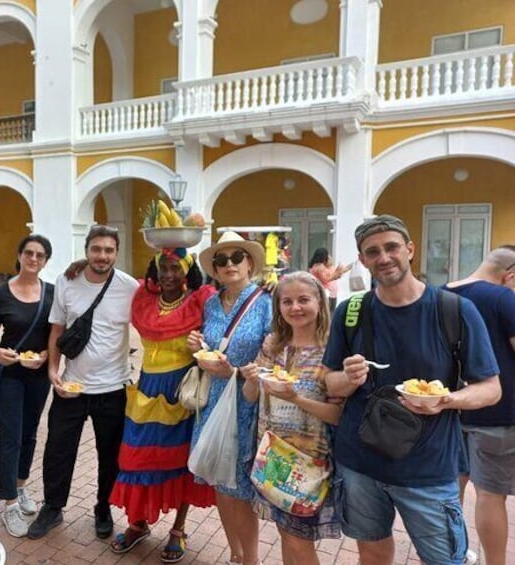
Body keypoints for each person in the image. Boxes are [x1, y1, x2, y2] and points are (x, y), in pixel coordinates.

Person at [322, 214, 501, 565]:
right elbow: (329, 380)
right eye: (372, 252)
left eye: (392, 247)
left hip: (428, 467)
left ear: (410, 249)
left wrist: (448, 400)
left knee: (443, 559)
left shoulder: (454, 310)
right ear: (362, 260)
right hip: (360, 462)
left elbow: (491, 388)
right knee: (371, 551)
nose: (384, 257)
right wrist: (349, 378)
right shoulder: (351, 311)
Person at [27, 225, 139, 540]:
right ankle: (52, 507)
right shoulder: (67, 281)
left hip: (113, 388)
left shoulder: (129, 287)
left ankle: (103, 507)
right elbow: (57, 330)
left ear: (116, 253)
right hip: (71, 386)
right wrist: (53, 370)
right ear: (86, 250)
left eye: (108, 250)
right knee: (58, 451)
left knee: (110, 454)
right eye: (96, 249)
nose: (102, 256)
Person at [109, 249, 216, 562]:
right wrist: (81, 265)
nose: (168, 275)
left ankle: (178, 530)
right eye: (163, 268)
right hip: (147, 389)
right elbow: (115, 278)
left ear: (186, 272)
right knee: (136, 458)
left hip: (182, 393)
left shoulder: (201, 301)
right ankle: (138, 523)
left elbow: (227, 316)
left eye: (175, 268)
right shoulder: (144, 298)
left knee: (182, 461)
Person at [240, 272, 341, 565]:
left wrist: (296, 399)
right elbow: (251, 397)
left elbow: (338, 416)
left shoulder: (332, 350)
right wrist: (249, 379)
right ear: (278, 308)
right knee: (286, 535)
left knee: (300, 543)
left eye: (303, 300)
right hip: (272, 458)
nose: (295, 307)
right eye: (287, 301)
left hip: (309, 463)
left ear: (320, 303)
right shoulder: (273, 345)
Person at [186, 231, 272, 565]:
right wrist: (200, 349)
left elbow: (271, 356)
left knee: (238, 487)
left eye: (237, 257)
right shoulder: (211, 302)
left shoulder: (266, 301)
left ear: (250, 263)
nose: (229, 265)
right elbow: (214, 347)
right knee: (219, 482)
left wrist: (234, 372)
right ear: (215, 270)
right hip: (212, 401)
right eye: (221, 261)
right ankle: (235, 554)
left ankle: (250, 559)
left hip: (246, 403)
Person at [444, 245, 515, 565]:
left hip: (447, 408)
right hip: (497, 413)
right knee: (489, 494)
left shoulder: (440, 294)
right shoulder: (504, 298)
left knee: (450, 489)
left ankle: (450, 555)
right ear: (510, 275)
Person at [0, 235, 54, 538]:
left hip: (37, 375)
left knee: (30, 434)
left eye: (40, 255)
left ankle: (21, 487)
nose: (33, 259)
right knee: (10, 437)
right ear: (20, 255)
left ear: (46, 260)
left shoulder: (52, 293)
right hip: (10, 375)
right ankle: (10, 502)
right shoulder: (2, 293)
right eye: (29, 253)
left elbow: (55, 336)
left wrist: (47, 356)